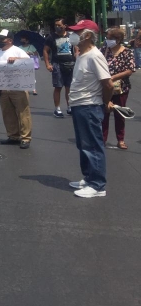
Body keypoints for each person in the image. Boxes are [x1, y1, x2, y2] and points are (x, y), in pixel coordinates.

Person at [66, 19, 113, 198]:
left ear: (87, 35)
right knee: (83, 144)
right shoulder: (81, 54)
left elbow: (107, 83)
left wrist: (105, 102)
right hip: (79, 105)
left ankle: (98, 185)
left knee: (92, 146)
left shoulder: (95, 56)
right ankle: (89, 177)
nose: (73, 35)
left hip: (89, 106)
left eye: (77, 32)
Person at [0, 30, 32, 150]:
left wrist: (16, 59)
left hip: (18, 86)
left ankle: (25, 138)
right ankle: (13, 136)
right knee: (8, 113)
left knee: (22, 113)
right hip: (4, 87)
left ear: (10, 40)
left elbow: (29, 63)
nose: (0, 41)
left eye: (2, 39)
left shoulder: (17, 51)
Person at [100, 27, 135, 150]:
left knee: (119, 114)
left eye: (110, 38)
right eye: (107, 38)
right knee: (104, 113)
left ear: (118, 39)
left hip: (121, 88)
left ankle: (120, 139)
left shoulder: (127, 52)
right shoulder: (104, 50)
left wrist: (113, 77)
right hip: (105, 87)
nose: (107, 40)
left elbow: (130, 70)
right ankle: (102, 139)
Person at [43, 18, 76, 118]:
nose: (57, 27)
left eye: (59, 25)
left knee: (69, 87)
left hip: (70, 64)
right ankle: (57, 109)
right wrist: (47, 64)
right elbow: (45, 51)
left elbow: (76, 49)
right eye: (55, 25)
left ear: (65, 25)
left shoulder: (71, 36)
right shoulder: (51, 37)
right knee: (58, 87)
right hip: (57, 64)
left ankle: (70, 107)